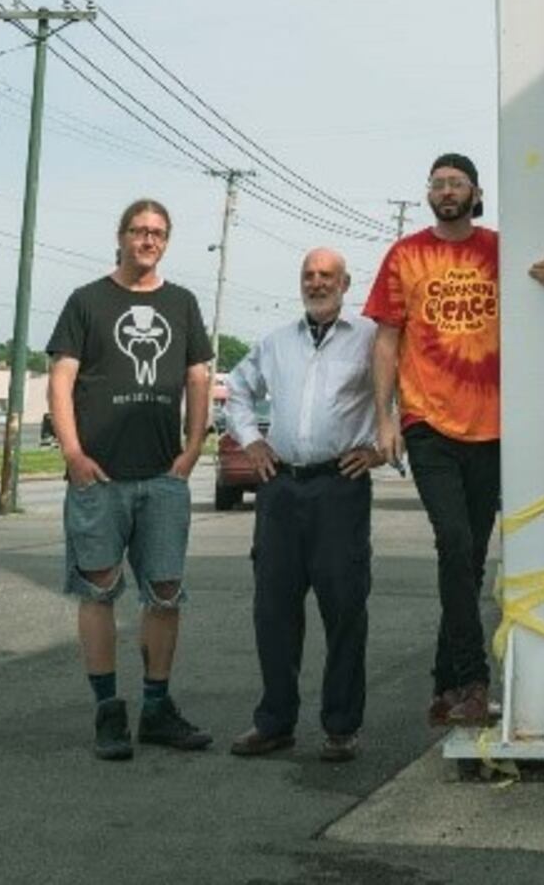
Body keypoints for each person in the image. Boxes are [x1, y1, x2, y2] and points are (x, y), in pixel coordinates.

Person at [46, 196, 213, 761]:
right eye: (139, 231)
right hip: (100, 477)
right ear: (120, 237)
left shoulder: (182, 303)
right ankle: (107, 712)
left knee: (165, 594)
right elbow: (60, 381)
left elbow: (197, 378)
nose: (148, 240)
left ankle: (158, 708)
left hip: (162, 478)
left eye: (158, 233)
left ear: (166, 241)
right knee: (97, 591)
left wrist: (191, 450)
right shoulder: (86, 301)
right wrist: (73, 453)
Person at [225, 248, 382, 764]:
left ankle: (341, 726)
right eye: (308, 275)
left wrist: (380, 448)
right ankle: (275, 722)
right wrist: (251, 441)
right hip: (281, 490)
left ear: (345, 283)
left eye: (326, 276)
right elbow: (238, 391)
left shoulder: (370, 339)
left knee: (344, 609)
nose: (316, 283)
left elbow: (402, 396)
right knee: (273, 610)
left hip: (339, 487)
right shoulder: (275, 343)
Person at [365, 152, 500, 727]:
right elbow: (387, 342)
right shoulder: (405, 254)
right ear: (429, 194)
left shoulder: (500, 249)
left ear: (474, 192)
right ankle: (471, 682)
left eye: (457, 183)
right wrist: (385, 418)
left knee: (468, 558)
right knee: (453, 541)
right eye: (438, 183)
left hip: (494, 427)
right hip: (428, 422)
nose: (447, 191)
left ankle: (444, 685)